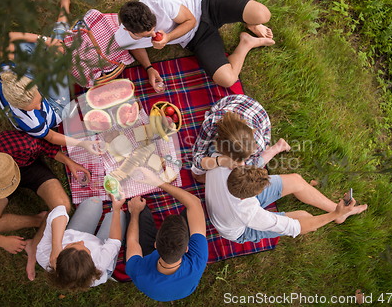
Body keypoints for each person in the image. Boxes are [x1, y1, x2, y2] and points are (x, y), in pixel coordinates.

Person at [0, 0, 101, 155]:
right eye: (35, 107)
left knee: (43, 45)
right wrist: (83, 144)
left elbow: (9, 38)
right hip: (55, 107)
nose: (38, 107)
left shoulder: (7, 76)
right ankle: (65, 0)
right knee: (59, 50)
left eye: (37, 101)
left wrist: (46, 41)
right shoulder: (31, 121)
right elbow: (51, 137)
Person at [0, 130, 90, 254]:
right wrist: (1, 241)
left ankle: (35, 245)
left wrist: (69, 162)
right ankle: (38, 220)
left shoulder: (21, 144)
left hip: (28, 166)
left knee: (62, 205)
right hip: (3, 176)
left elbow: (44, 145)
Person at [115, 0, 275, 91]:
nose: (153, 34)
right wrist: (149, 67)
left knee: (263, 15)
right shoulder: (123, 38)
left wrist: (168, 37)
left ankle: (250, 22)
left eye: (153, 28)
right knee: (227, 79)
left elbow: (191, 21)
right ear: (129, 30)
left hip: (203, 4)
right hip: (196, 37)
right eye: (146, 34)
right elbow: (134, 45)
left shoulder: (160, 1)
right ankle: (247, 42)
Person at [205, 164, 369, 243]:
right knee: (305, 218)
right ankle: (339, 215)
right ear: (247, 198)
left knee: (296, 181)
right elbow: (297, 227)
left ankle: (338, 210)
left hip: (228, 200)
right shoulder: (249, 213)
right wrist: (334, 215)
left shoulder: (223, 163)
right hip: (239, 229)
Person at [124, 167, 208, 302]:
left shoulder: (138, 272)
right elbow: (195, 203)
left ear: (155, 244)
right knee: (193, 212)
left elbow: (132, 241)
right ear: (187, 248)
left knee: (136, 208)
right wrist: (158, 182)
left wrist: (134, 213)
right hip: (181, 289)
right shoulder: (198, 259)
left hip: (152, 278)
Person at [24, 194, 126, 291]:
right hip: (102, 247)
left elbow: (60, 209)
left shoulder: (44, 253)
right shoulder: (99, 265)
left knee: (94, 201)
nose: (82, 242)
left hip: (76, 232)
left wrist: (56, 245)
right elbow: (114, 241)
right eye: (88, 251)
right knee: (120, 215)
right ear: (92, 262)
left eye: (73, 244)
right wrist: (116, 210)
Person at [191, 94, 290, 183]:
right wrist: (220, 161)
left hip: (258, 116)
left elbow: (252, 160)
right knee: (198, 175)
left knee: (250, 169)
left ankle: (277, 147)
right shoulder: (211, 123)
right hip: (234, 103)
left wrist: (243, 165)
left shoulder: (258, 143)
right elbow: (197, 157)